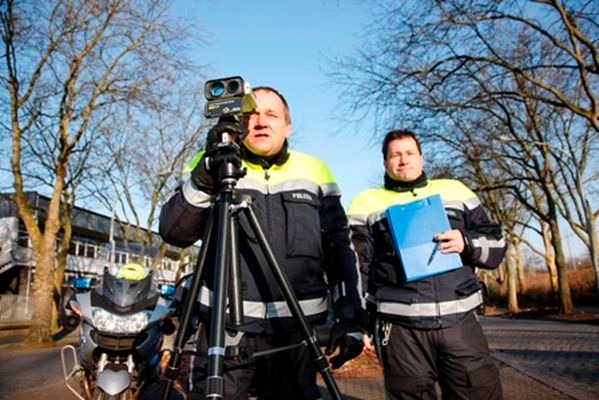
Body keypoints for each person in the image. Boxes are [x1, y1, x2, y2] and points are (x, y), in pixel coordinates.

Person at [159, 86, 364, 399]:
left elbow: (340, 249)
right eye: (251, 114)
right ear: (239, 124)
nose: (260, 121)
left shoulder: (315, 170)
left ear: (287, 126)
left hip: (295, 334)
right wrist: (204, 176)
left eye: (271, 114)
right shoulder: (208, 162)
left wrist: (351, 316)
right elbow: (175, 232)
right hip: (223, 330)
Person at [346, 129, 506, 400]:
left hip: (460, 324)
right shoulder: (365, 203)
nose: (403, 160)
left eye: (409, 153)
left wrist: (467, 243)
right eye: (395, 155)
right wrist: (358, 321)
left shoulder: (456, 190)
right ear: (384, 162)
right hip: (400, 330)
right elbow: (356, 267)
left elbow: (497, 244)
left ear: (421, 158)